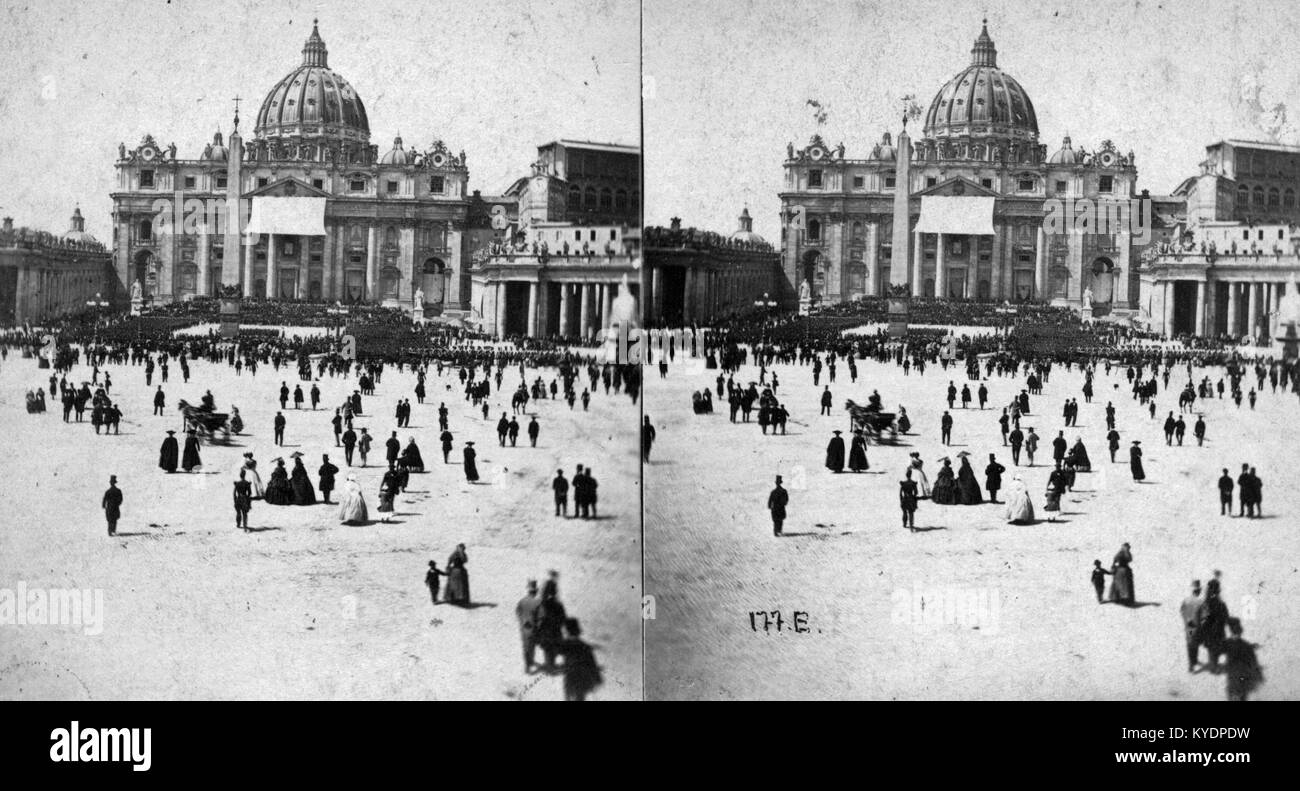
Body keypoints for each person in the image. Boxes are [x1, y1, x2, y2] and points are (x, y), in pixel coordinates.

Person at [557, 618, 603, 701]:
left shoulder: (565, 645)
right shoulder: (584, 646)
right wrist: (597, 678)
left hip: (570, 678)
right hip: (581, 679)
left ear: (567, 631)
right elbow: (591, 663)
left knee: (569, 697)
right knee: (579, 698)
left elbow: (557, 651)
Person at [1221, 618, 1264, 700]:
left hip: (1237, 676)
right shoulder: (1243, 645)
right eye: (1235, 633)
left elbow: (1252, 660)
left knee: (1237, 692)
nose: (1236, 635)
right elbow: (1253, 661)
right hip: (1238, 676)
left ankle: (1237, 695)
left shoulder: (1231, 643)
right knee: (1239, 692)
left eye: (1236, 634)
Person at [1195, 579, 1230, 672]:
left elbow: (1200, 617)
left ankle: (1214, 664)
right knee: (1214, 647)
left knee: (1213, 648)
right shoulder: (1218, 603)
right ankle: (1214, 665)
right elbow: (1225, 616)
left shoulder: (1208, 603)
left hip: (1212, 630)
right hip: (1214, 630)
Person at [515, 580, 542, 673]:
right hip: (534, 628)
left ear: (528, 590)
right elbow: (541, 617)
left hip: (524, 628)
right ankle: (530, 662)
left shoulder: (522, 601)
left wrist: (522, 621)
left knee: (525, 646)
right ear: (536, 590)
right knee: (532, 645)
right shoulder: (538, 602)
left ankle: (527, 665)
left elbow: (517, 612)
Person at [1180, 580, 1204, 672]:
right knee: (1196, 643)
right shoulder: (1201, 602)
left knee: (1190, 643)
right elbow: (1204, 615)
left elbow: (1182, 611)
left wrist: (1186, 620)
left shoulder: (1186, 600)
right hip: (1197, 626)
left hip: (1189, 627)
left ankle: (1193, 662)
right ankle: (1193, 662)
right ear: (1198, 591)